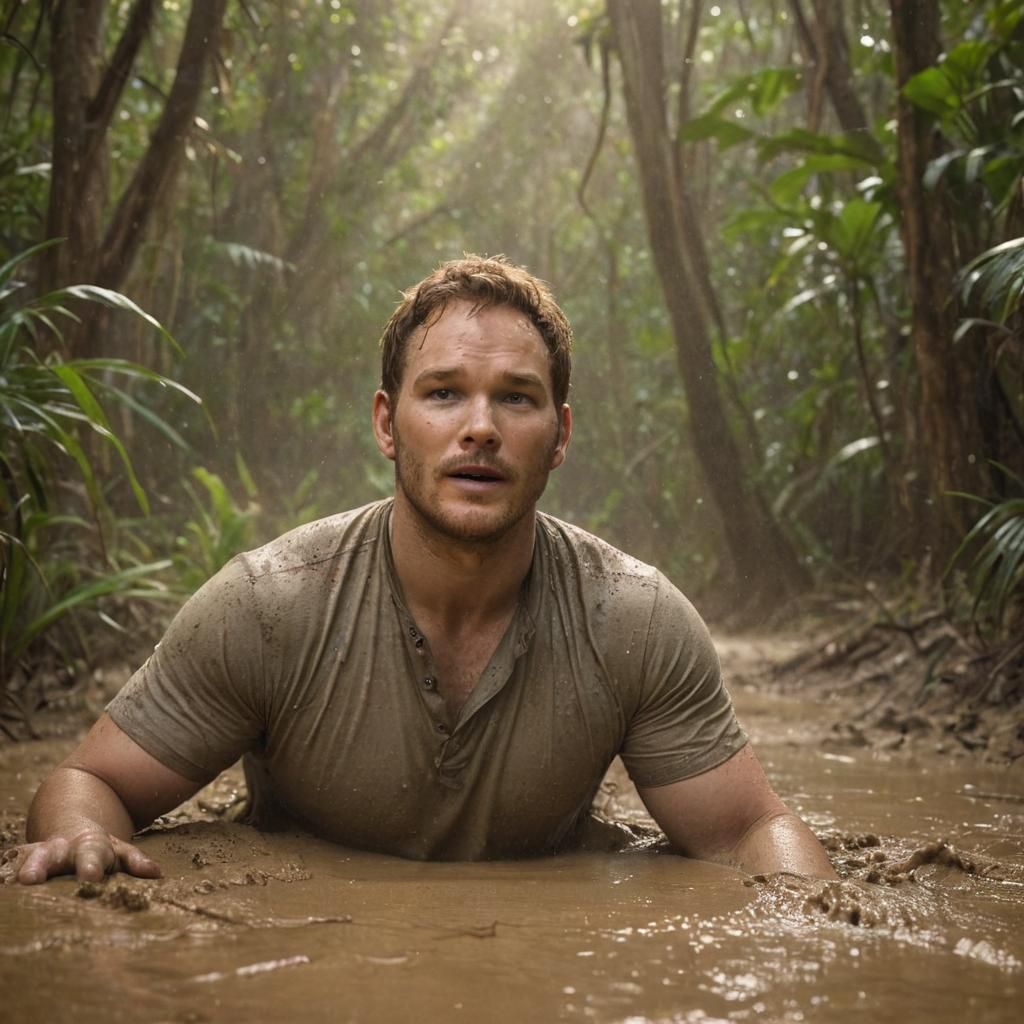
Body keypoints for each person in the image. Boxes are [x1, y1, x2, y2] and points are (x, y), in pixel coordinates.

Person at [7, 256, 836, 885]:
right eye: (443, 393)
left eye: (516, 397)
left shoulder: (634, 620)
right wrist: (83, 841)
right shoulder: (271, 604)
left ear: (559, 434)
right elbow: (89, 782)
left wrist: (815, 925)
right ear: (387, 423)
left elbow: (749, 832)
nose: (480, 428)